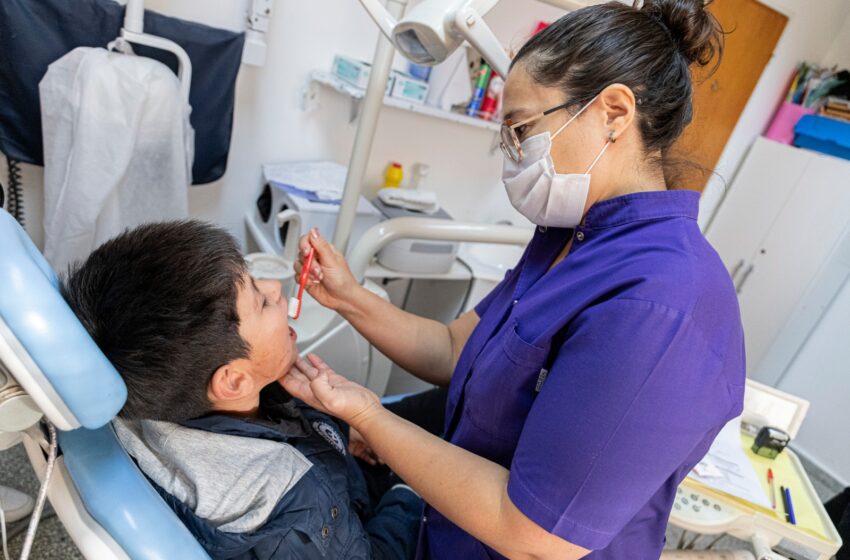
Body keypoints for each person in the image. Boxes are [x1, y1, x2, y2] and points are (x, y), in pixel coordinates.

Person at [283, 1, 745, 559]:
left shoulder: (662, 302)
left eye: (521, 128)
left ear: (615, 113)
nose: (513, 152)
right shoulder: (566, 236)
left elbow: (534, 534)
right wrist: (349, 298)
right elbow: (456, 349)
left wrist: (368, 415)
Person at [60, 221, 421, 560]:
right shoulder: (297, 504)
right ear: (234, 381)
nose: (274, 288)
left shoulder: (148, 391)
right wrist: (407, 495)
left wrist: (344, 428)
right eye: (260, 301)